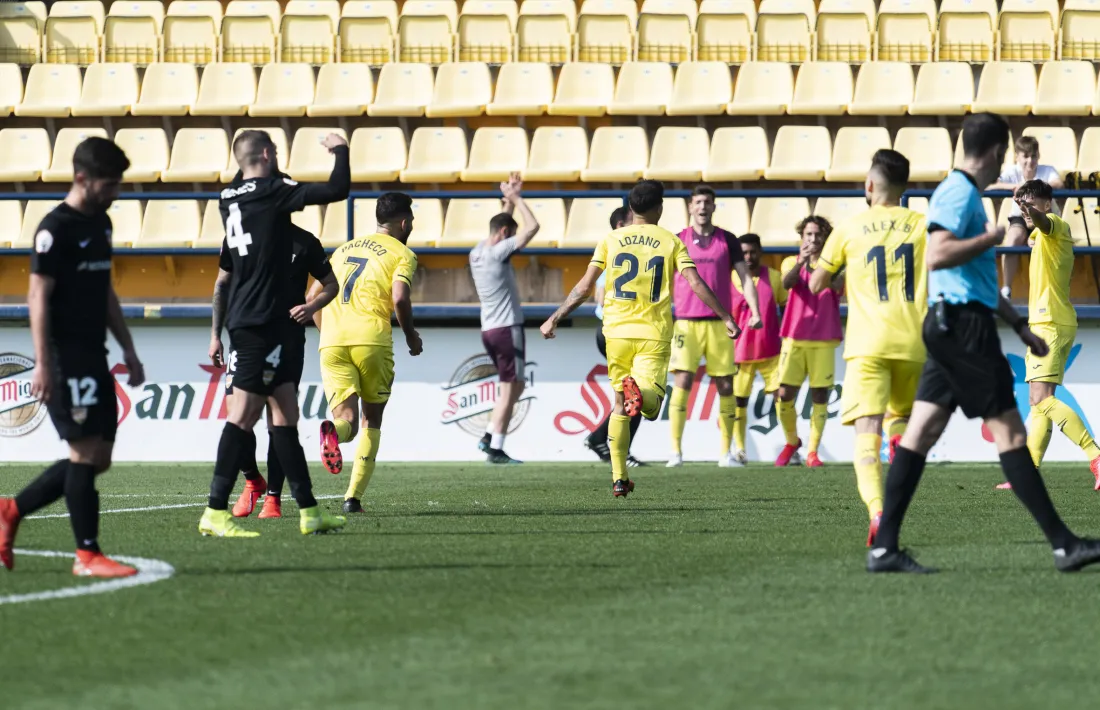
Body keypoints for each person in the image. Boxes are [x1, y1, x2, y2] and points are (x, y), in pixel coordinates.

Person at [867, 113, 1100, 574]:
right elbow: (937, 254)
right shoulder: (958, 194)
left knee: (919, 434)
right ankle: (1064, 544)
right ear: (996, 153)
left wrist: (1017, 323)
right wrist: (991, 236)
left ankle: (884, 547)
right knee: (1013, 434)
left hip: (953, 324)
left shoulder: (962, 193)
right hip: (963, 329)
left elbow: (974, 278)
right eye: (1004, 157)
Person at [0, 137, 147, 577]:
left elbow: (105, 291)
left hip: (95, 353)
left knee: (98, 457)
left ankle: (11, 510)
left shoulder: (101, 225)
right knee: (83, 453)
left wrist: (128, 348)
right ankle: (87, 555)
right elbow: (37, 298)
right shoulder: (54, 229)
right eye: (109, 184)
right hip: (65, 357)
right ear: (82, 178)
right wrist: (43, 362)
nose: (116, 192)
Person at [541, 180, 739, 497]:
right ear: (659, 208)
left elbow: (584, 286)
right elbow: (696, 283)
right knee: (650, 405)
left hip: (615, 332)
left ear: (630, 208)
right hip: (653, 333)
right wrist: (726, 316)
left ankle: (619, 478)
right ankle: (643, 396)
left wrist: (555, 317)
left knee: (619, 404)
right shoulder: (671, 241)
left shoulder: (611, 239)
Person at [201, 129, 347, 538]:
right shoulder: (271, 191)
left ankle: (309, 510)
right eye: (276, 154)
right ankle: (214, 510)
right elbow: (339, 189)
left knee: (284, 416)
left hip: (262, 321)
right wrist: (341, 150)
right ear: (267, 154)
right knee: (244, 416)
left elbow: (224, 277)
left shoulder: (228, 198)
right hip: (259, 322)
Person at [811, 149, 928, 546]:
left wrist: (844, 270)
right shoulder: (923, 225)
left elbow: (815, 285)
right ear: (905, 187)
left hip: (867, 344)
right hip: (913, 340)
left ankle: (877, 511)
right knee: (900, 418)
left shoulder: (849, 229)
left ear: (870, 186)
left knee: (866, 431)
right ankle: (899, 444)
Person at [315, 192, 422, 514]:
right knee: (371, 420)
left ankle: (334, 432)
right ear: (404, 222)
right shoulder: (403, 253)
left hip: (332, 341)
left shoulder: (342, 249)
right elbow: (400, 299)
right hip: (372, 339)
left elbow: (313, 296)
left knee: (344, 419)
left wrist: (329, 332)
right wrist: (411, 336)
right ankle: (352, 499)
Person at [226, 222, 331, 520]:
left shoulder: (306, 242)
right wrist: (214, 335)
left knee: (278, 420)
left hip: (287, 341)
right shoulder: (239, 235)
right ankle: (251, 480)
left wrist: (312, 307)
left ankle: (273, 498)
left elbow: (331, 284)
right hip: (244, 339)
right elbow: (223, 283)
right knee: (235, 415)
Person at [1008, 179, 1100, 486]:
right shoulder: (1040, 236)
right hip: (1049, 324)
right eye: (1024, 207)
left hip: (1050, 325)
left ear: (1048, 204)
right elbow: (1035, 229)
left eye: (1033, 204)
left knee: (1041, 398)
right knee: (1038, 402)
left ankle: (1095, 454)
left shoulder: (1055, 225)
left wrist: (1031, 212)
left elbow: (1043, 222)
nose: (1028, 212)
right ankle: (1028, 473)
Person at [666, 185, 761, 468]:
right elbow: (663, 279)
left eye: (708, 201)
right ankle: (675, 452)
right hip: (686, 322)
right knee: (682, 382)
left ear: (714, 206)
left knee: (725, 385)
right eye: (698, 202)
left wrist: (754, 310)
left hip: (720, 323)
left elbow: (745, 278)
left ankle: (725, 453)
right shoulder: (678, 240)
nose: (703, 206)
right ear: (690, 207)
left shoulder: (728, 240)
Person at [470, 174, 540, 464]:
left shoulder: (477, 251)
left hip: (489, 328)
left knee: (515, 385)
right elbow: (533, 227)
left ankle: (489, 436)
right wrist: (516, 199)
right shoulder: (499, 251)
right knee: (511, 387)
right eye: (509, 235)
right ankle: (495, 447)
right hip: (507, 327)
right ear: (503, 234)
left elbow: (502, 226)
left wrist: (507, 202)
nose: (512, 241)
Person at [775, 216, 842, 469]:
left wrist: (822, 263)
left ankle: (813, 452)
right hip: (794, 336)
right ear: (802, 238)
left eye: (818, 235)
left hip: (823, 337)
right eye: (809, 235)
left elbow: (836, 284)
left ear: (825, 239)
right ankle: (792, 441)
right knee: (784, 394)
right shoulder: (790, 262)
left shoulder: (834, 265)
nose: (813, 239)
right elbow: (786, 284)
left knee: (820, 394)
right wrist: (803, 262)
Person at [585, 205, 644, 467]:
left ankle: (602, 440)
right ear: (621, 226)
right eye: (634, 222)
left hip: (620, 332)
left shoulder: (619, 254)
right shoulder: (618, 255)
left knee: (634, 394)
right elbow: (600, 298)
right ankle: (613, 447)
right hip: (616, 332)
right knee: (634, 395)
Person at [730, 234, 787, 464]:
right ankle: (740, 449)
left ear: (760, 252)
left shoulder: (774, 277)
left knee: (782, 398)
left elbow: (788, 304)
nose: (748, 257)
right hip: (739, 353)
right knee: (738, 401)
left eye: (753, 252)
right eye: (744, 253)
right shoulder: (730, 278)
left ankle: (790, 446)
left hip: (770, 349)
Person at [989, 135, 1064, 299]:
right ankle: (1006, 290)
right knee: (1012, 241)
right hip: (1020, 217)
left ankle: (1049, 289)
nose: (1030, 161)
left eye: (1034, 156)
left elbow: (1058, 183)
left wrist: (1033, 189)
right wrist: (1014, 187)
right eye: (1026, 156)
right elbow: (990, 185)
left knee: (1041, 243)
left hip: (1044, 218)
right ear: (1017, 157)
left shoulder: (1047, 170)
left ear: (1039, 156)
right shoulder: (1012, 172)